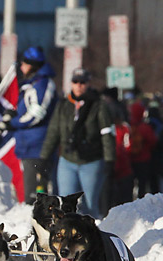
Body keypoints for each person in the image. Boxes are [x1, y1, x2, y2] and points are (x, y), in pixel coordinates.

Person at [40, 68, 115, 218]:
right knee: (66, 204)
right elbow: (54, 131)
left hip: (91, 161)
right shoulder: (63, 105)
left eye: (82, 82)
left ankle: (91, 235)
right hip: (68, 160)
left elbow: (107, 133)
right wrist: (44, 156)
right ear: (71, 83)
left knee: (89, 205)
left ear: (88, 84)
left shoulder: (98, 105)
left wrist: (109, 158)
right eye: (76, 82)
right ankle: (68, 236)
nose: (79, 85)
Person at [2, 46, 57, 203]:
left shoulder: (43, 84)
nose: (21, 66)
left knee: (35, 195)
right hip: (28, 144)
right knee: (29, 193)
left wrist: (14, 122)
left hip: (38, 145)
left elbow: (37, 114)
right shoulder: (31, 84)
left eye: (24, 63)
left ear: (32, 64)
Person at [128, 100, 158, 198]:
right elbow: (153, 141)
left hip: (130, 159)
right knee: (143, 183)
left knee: (130, 183)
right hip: (144, 159)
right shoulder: (145, 127)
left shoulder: (128, 127)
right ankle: (141, 200)